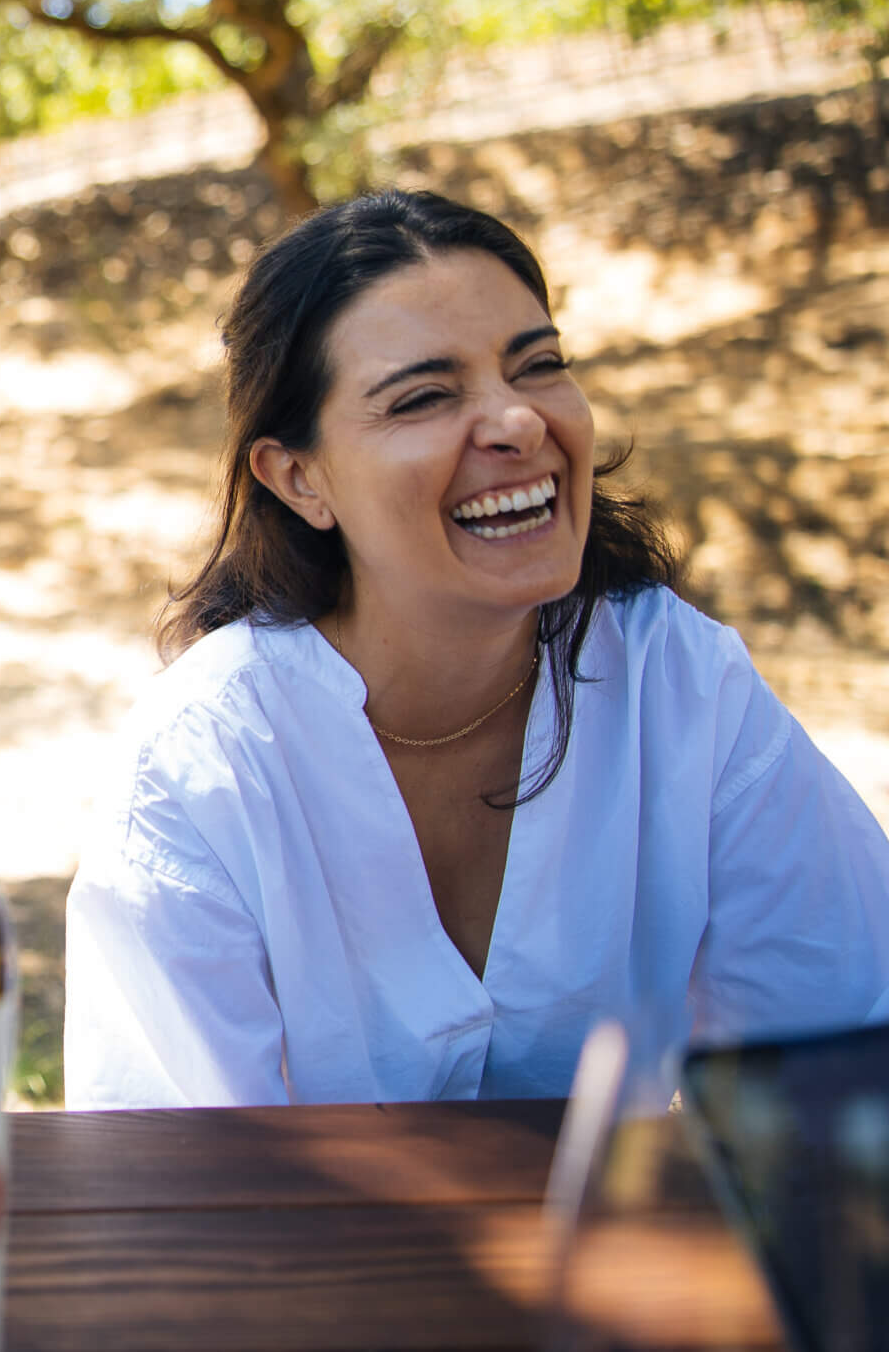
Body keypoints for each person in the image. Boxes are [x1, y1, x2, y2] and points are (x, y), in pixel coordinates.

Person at [65, 188, 889, 1109]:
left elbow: (845, 1055)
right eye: (423, 396)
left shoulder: (683, 685)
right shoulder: (199, 769)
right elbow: (176, 1163)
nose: (519, 421)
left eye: (538, 366)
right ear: (298, 477)